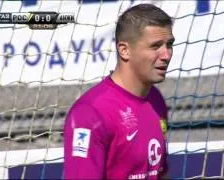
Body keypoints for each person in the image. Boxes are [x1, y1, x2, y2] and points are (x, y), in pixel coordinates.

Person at [64, 3, 175, 179]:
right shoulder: (90, 113)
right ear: (125, 50)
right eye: (155, 46)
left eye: (169, 44)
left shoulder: (155, 98)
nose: (167, 55)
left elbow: (159, 173)